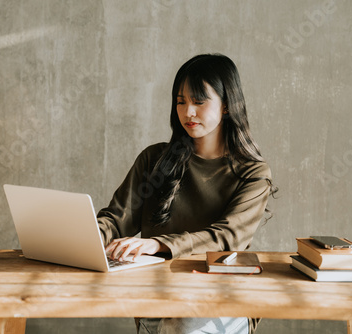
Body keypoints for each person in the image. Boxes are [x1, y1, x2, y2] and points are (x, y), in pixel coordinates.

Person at [97, 53, 276, 334]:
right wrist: (89, 236)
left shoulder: (252, 173)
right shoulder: (154, 160)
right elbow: (117, 219)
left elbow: (226, 238)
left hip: (221, 300)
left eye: (199, 101)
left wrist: (158, 244)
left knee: (182, 328)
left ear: (227, 105)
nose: (188, 112)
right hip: (159, 297)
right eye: (181, 102)